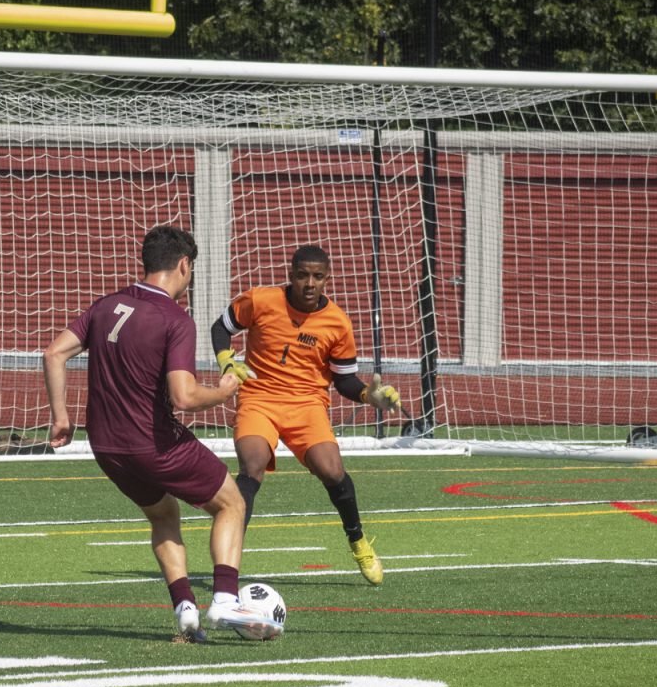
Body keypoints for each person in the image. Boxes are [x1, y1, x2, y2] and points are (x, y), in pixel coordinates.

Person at [43, 225, 282, 642]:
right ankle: (225, 598)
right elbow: (184, 397)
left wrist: (61, 417)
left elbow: (54, 352)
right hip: (152, 442)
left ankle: (186, 610)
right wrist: (225, 390)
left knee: (163, 514)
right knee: (232, 503)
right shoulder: (175, 318)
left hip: (106, 446)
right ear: (184, 265)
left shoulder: (107, 305)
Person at [210, 244, 401, 586]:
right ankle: (229, 567)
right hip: (259, 398)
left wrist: (367, 395)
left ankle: (358, 542)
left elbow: (343, 380)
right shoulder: (260, 300)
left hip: (307, 404)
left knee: (333, 470)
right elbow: (220, 328)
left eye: (317, 277)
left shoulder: (338, 323)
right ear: (291, 276)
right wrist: (227, 360)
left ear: (327, 279)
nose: (309, 283)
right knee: (251, 468)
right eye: (302, 276)